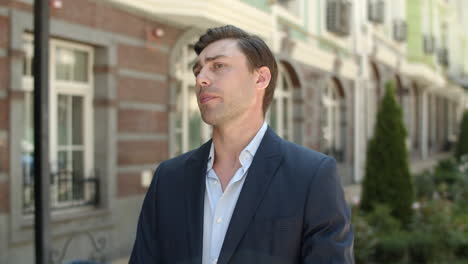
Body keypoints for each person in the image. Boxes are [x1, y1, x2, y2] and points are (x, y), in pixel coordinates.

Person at [130, 25, 354, 264]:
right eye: (198, 70)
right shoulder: (168, 178)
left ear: (260, 78)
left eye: (218, 66)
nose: (201, 78)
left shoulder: (312, 176)